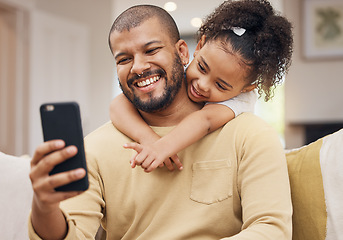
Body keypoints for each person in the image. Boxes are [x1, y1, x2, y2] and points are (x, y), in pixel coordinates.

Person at [29, 1, 293, 239]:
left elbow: (271, 230)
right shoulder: (96, 149)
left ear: (182, 51)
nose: (138, 67)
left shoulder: (249, 134)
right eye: (124, 59)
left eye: (151, 50)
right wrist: (44, 206)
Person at [110, 0, 291, 173]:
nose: (202, 85)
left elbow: (204, 121)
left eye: (220, 85)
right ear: (199, 46)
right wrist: (148, 138)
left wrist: (162, 148)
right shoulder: (175, 71)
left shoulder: (240, 101)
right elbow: (118, 105)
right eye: (202, 67)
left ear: (246, 88)